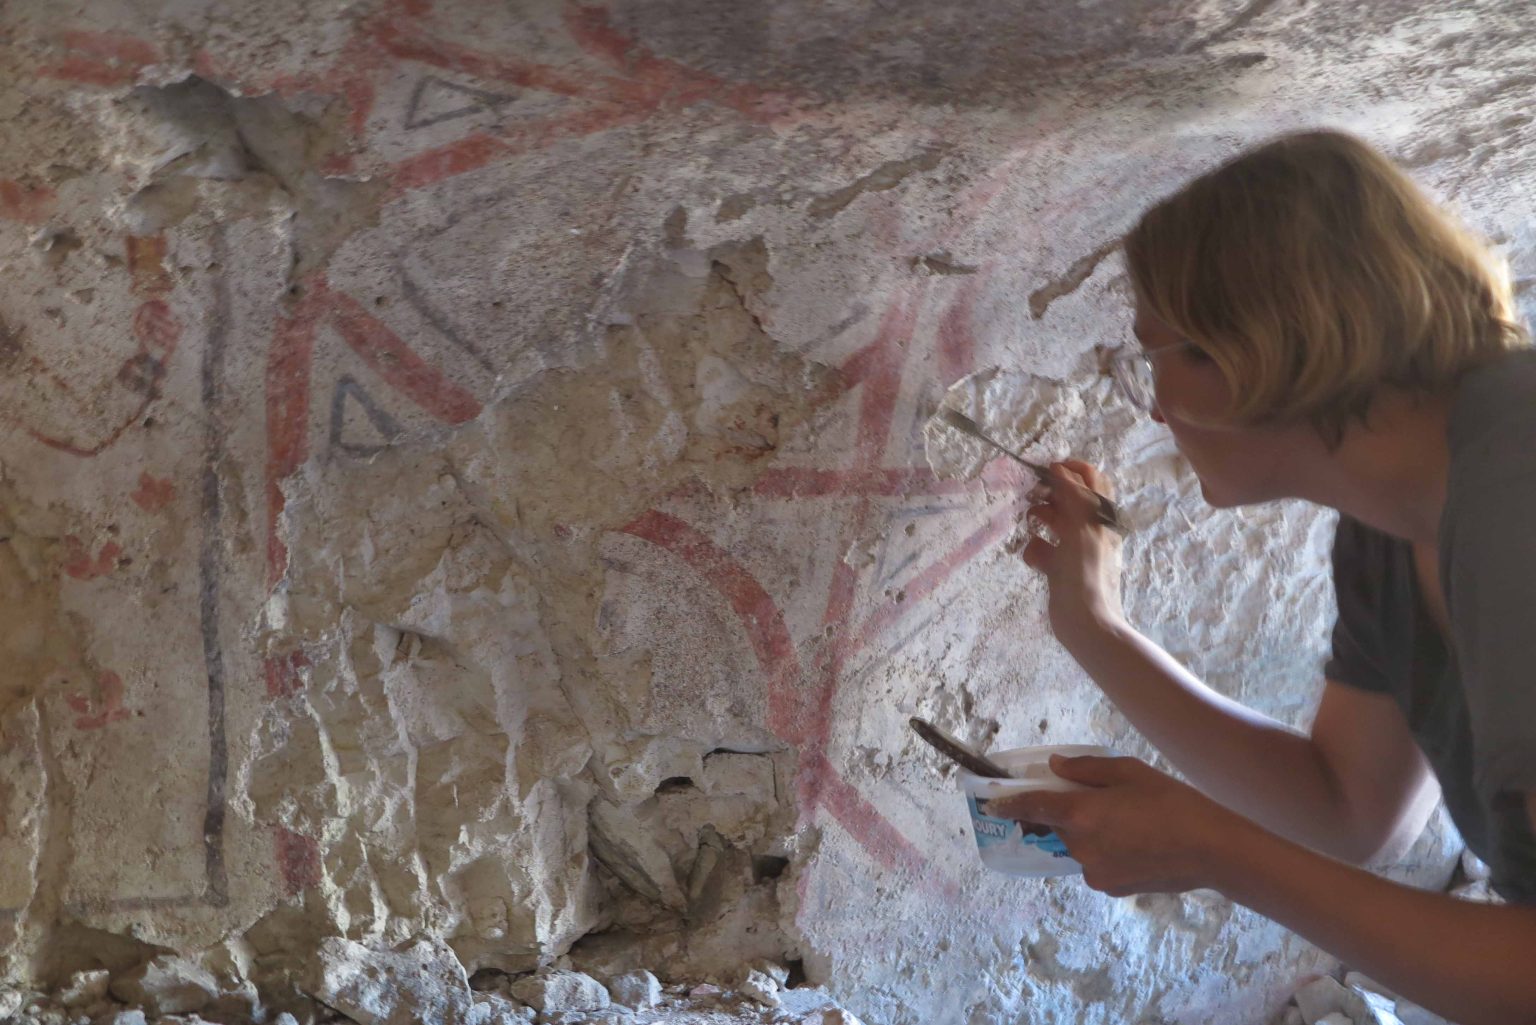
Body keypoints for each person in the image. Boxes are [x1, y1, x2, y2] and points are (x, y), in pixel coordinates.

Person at [989, 129, 1536, 1024]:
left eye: (1155, 355)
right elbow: (1350, 808)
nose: (1155, 404)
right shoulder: (1389, 527)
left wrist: (1213, 848)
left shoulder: (1518, 485)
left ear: (1251, 348)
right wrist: (1094, 623)